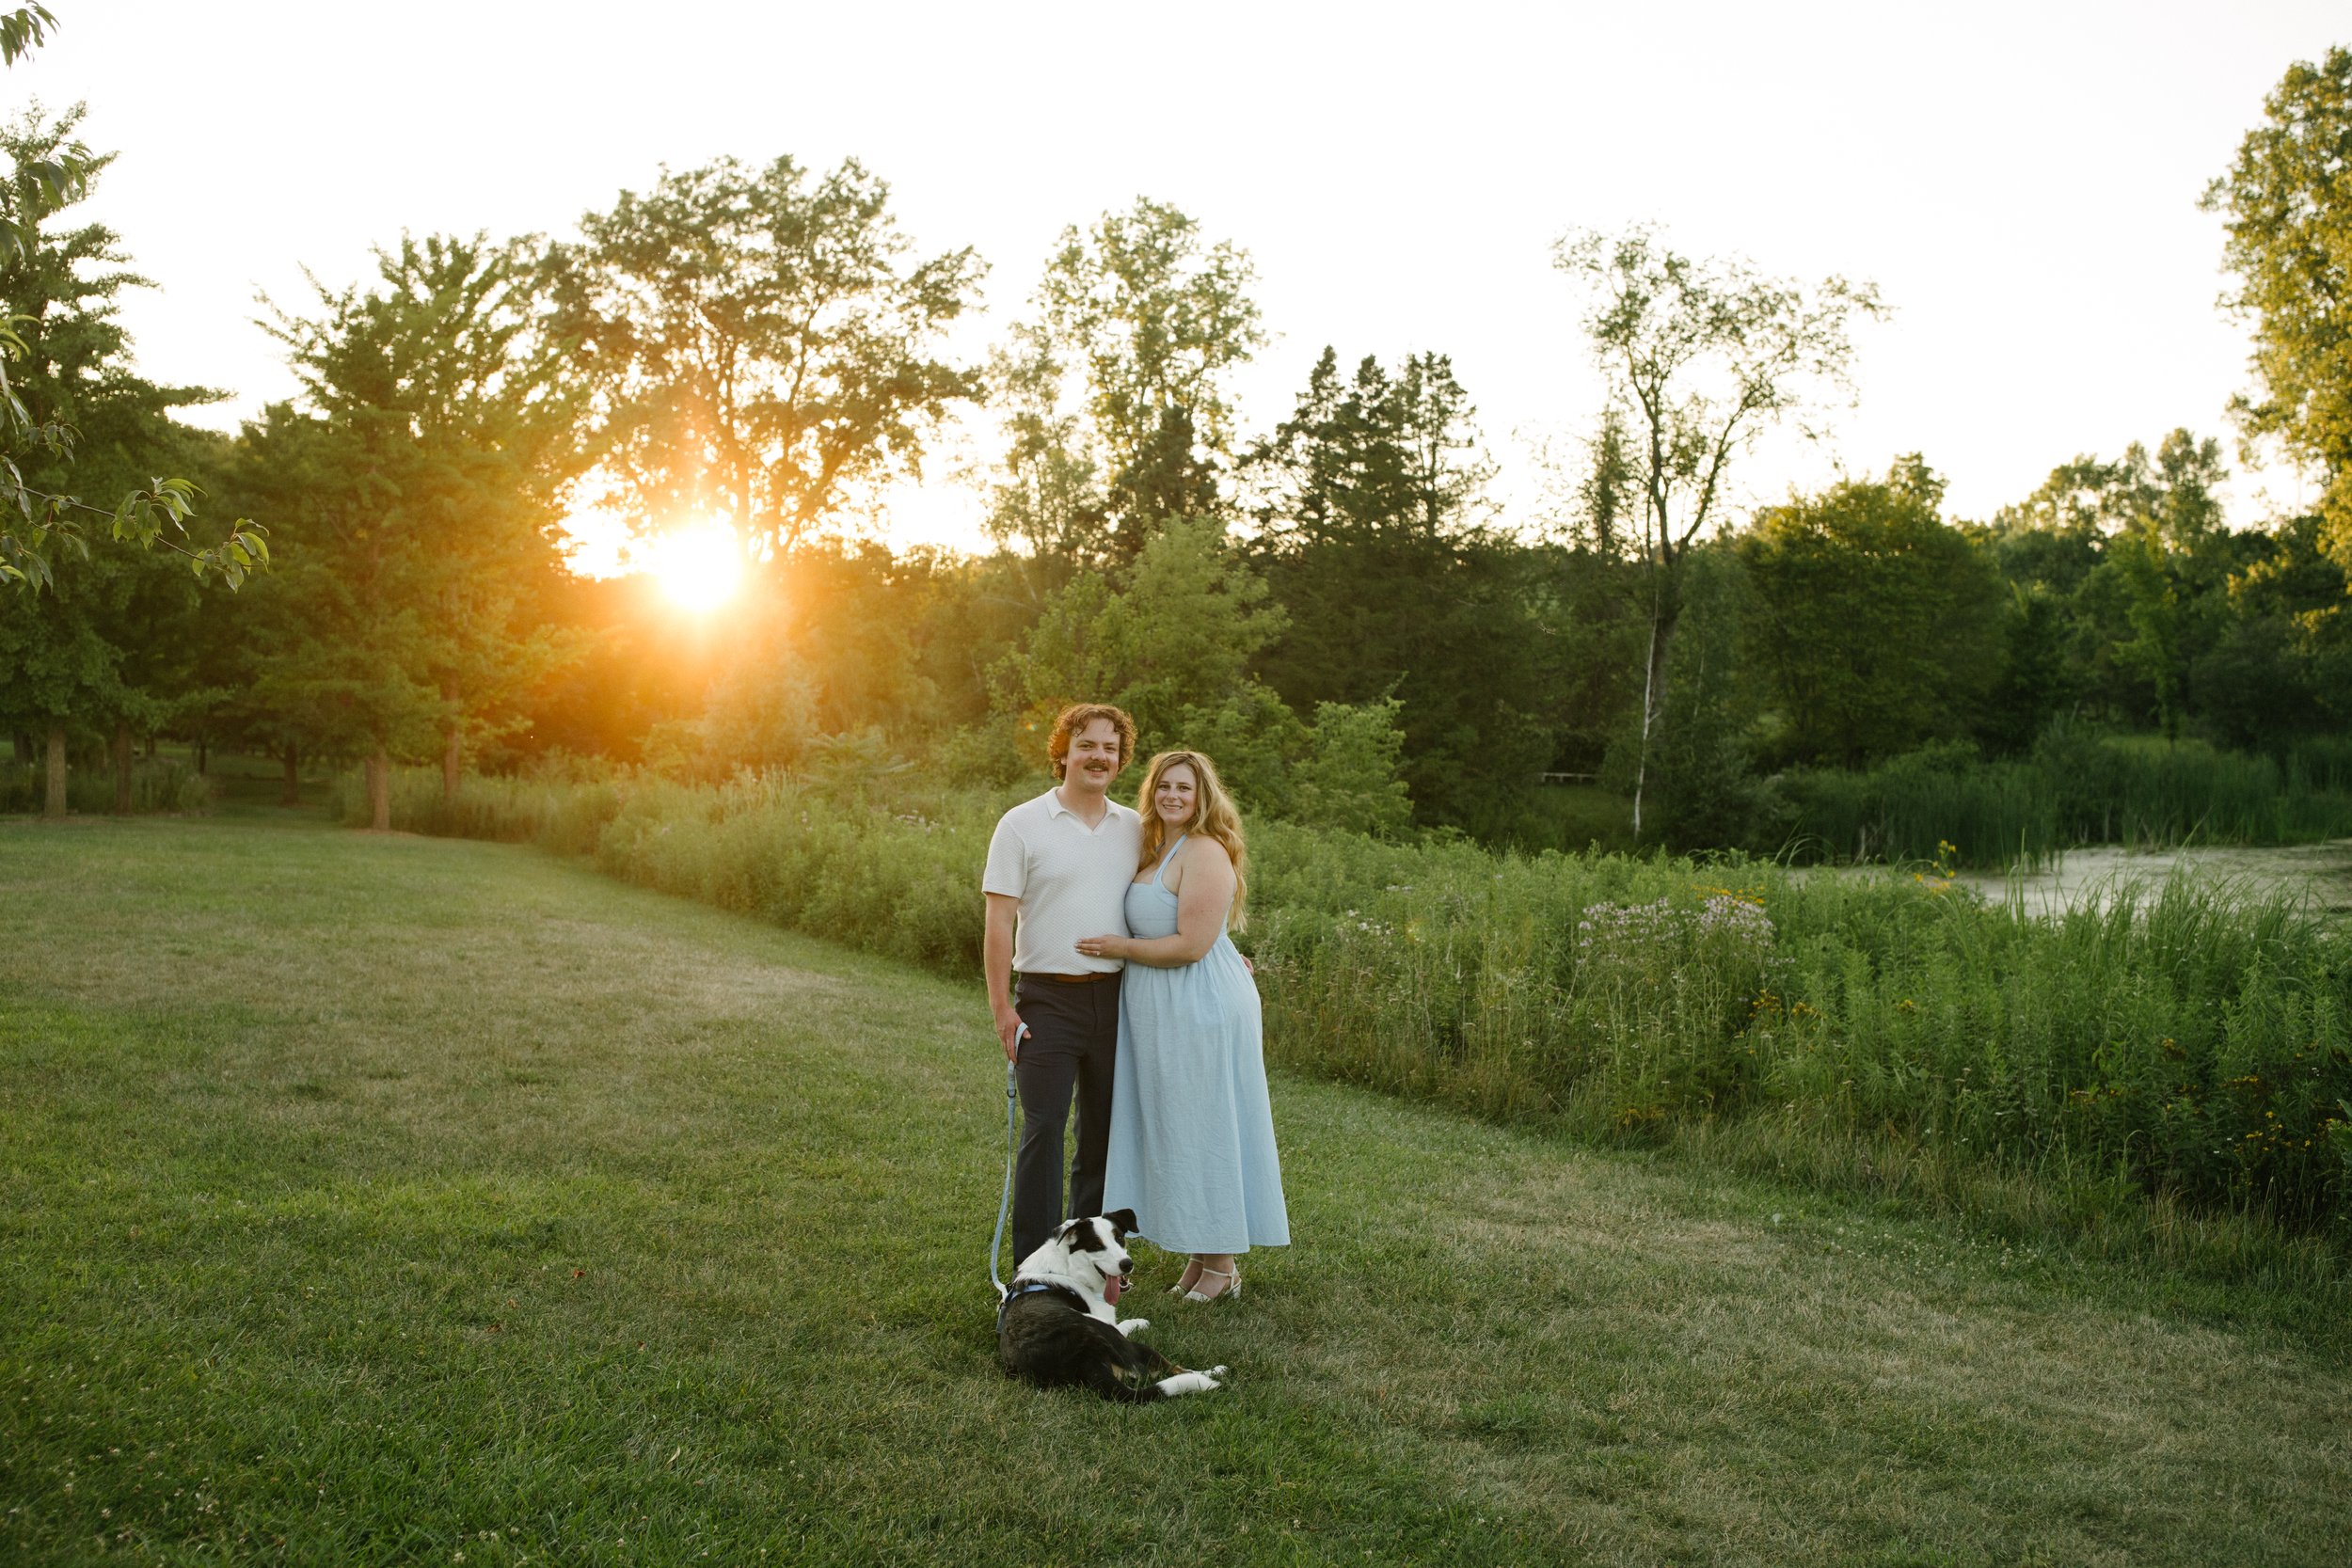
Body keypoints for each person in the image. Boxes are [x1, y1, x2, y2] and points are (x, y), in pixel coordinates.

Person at [1079, 750, 1289, 1303]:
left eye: (1185, 788)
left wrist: (1120, 948)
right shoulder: (1157, 848)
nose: (1173, 795)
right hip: (1162, 1005)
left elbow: (1193, 946)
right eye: (1165, 786)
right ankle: (1202, 1256)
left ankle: (1222, 1266)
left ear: (1203, 798)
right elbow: (1197, 925)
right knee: (1177, 1126)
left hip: (1197, 1005)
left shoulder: (1204, 849)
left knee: (1203, 1125)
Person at [982, 703, 1145, 1261]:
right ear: (1063, 753)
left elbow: (1171, 899)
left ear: (1121, 761)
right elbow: (999, 923)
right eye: (1087, 745)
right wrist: (1003, 1008)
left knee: (1101, 1136)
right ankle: (1034, 1267)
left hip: (1117, 1000)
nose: (1098, 756)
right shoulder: (1021, 824)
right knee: (1044, 1130)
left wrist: (1220, 953)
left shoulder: (1136, 828)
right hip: (1046, 999)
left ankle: (1093, 1261)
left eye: (1110, 748)